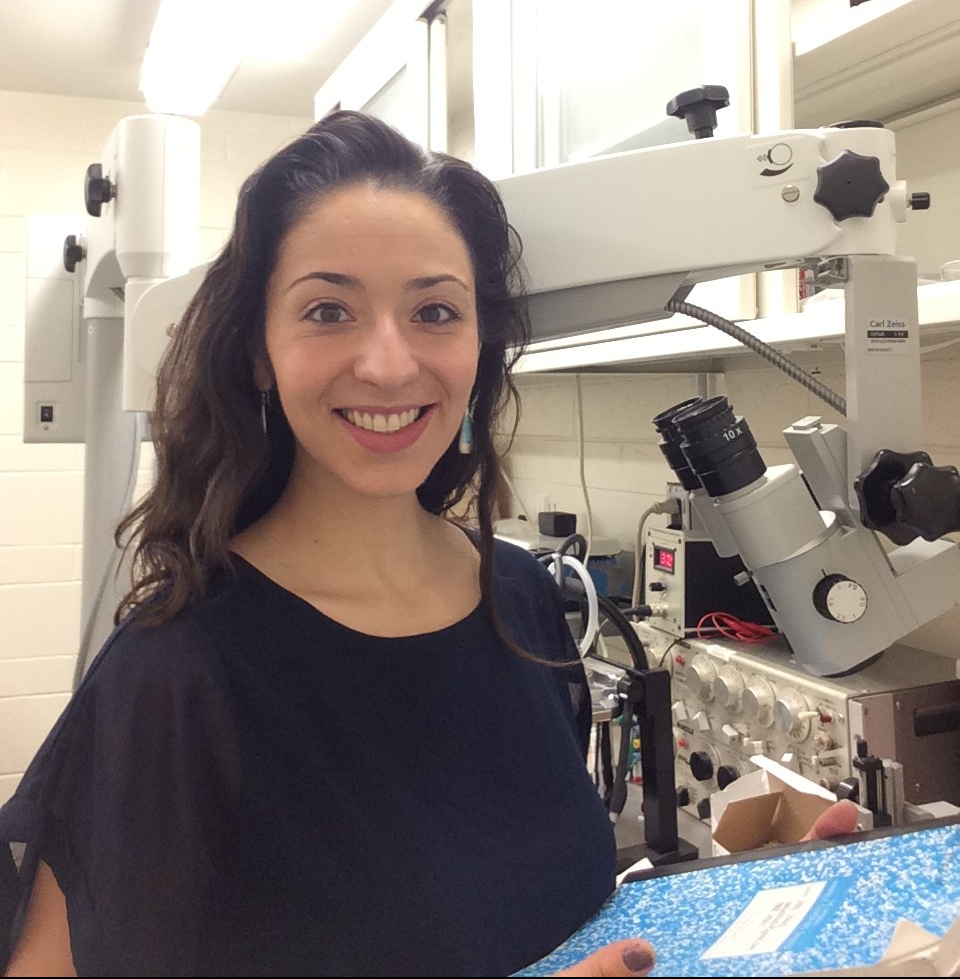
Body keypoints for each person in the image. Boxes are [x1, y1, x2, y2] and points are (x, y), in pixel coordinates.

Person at [0, 111, 856, 978]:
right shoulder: (177, 669)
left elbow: (534, 925)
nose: (386, 363)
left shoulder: (519, 599)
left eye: (435, 311)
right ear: (259, 352)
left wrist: (743, 922)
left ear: (479, 347)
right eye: (328, 310)